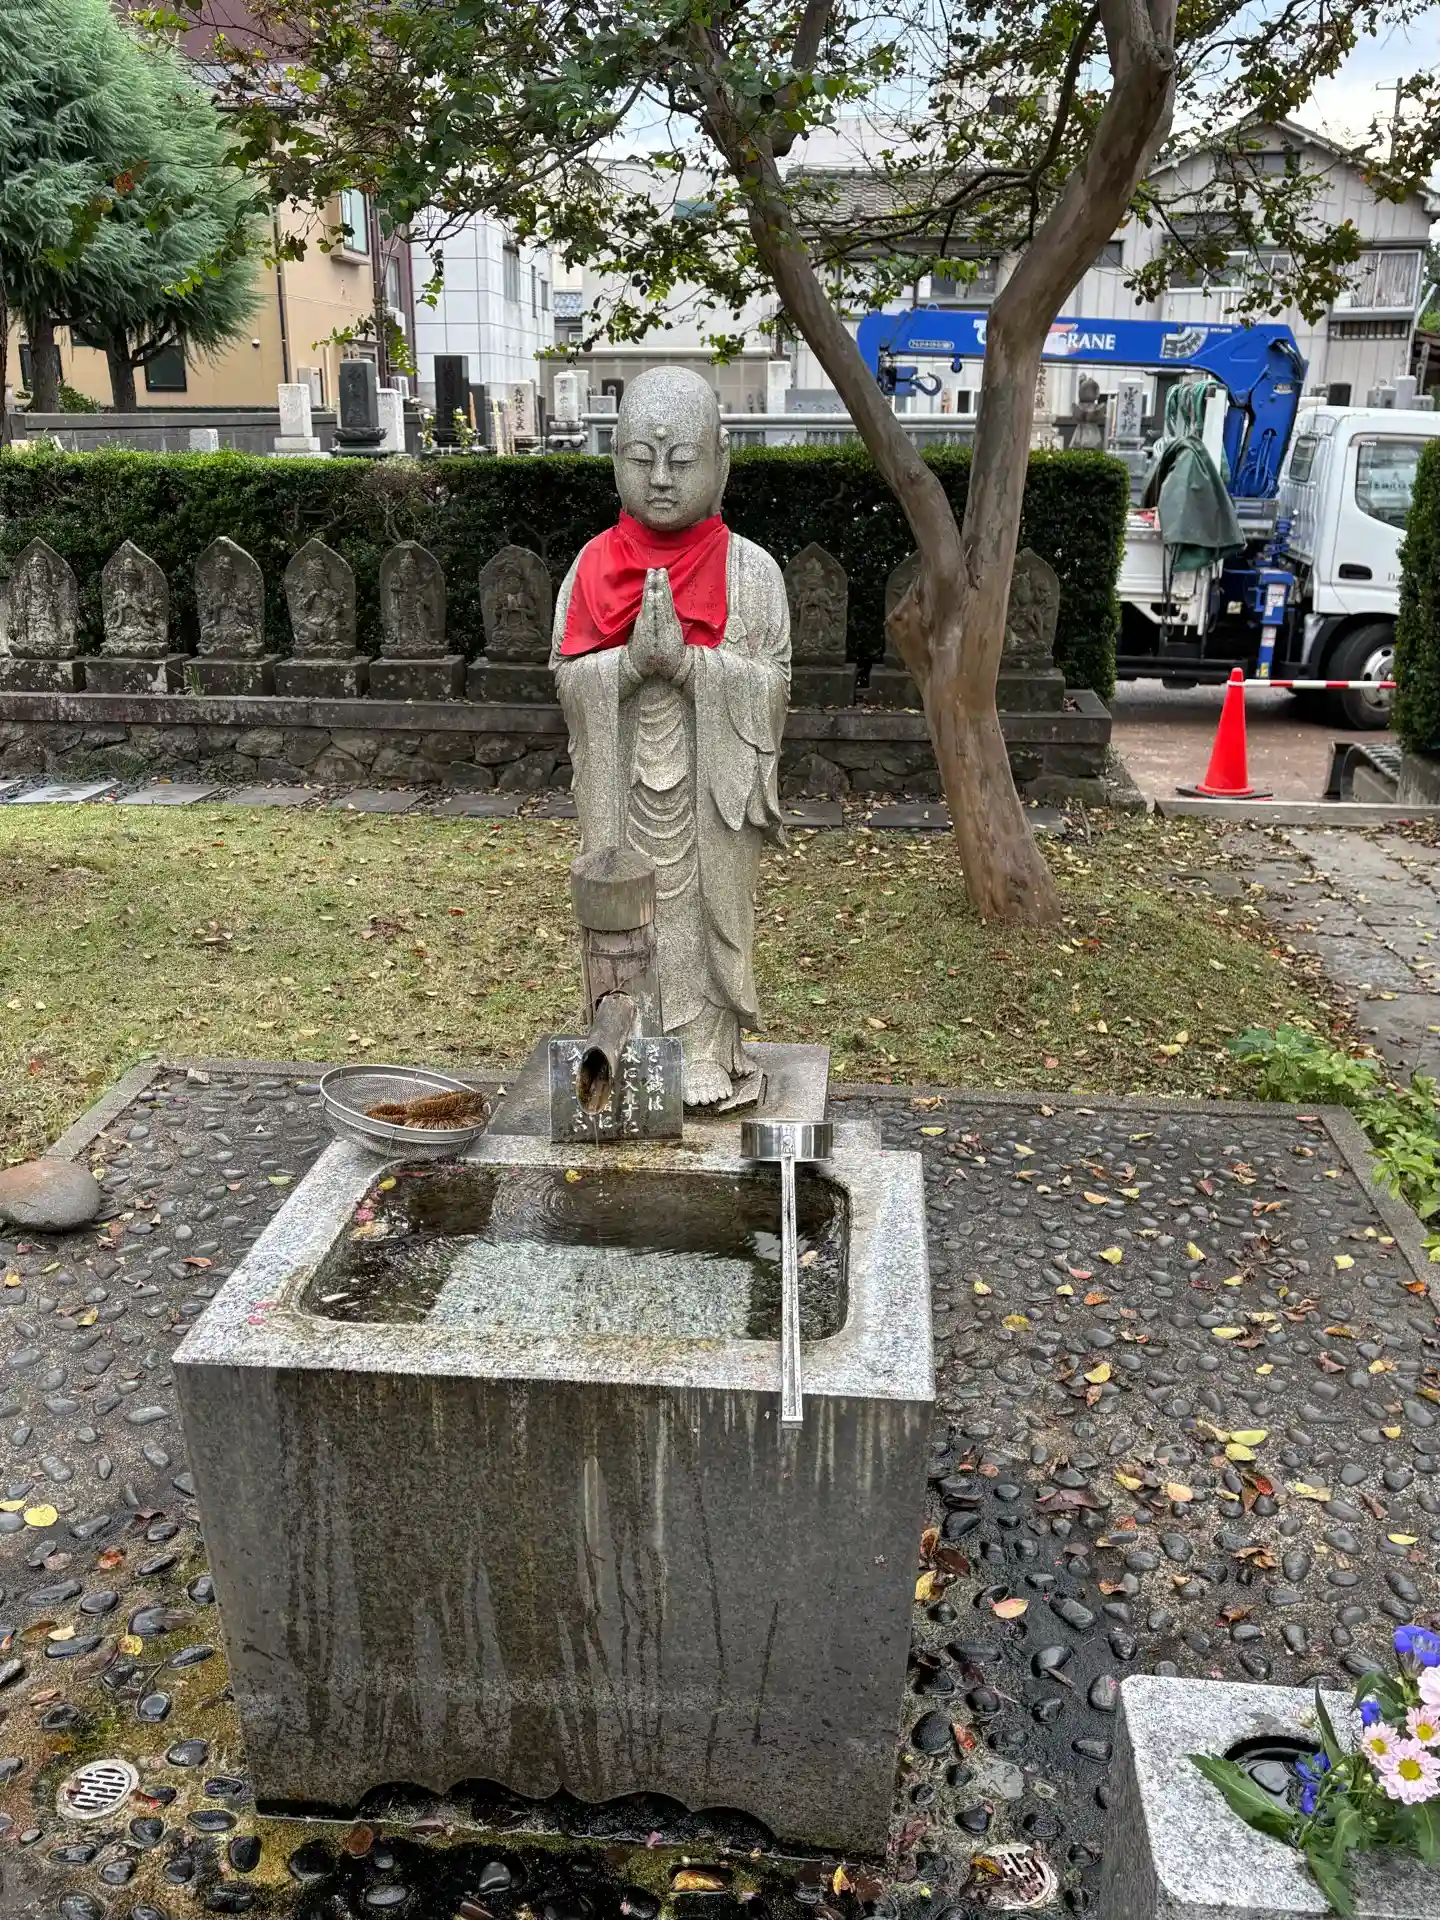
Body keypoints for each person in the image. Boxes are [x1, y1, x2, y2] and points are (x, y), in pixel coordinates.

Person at [550, 368, 790, 1108]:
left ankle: (709, 1049)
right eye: (639, 458)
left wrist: (689, 667)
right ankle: (624, 1041)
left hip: (712, 795)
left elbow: (775, 682)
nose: (659, 478)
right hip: (622, 788)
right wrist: (626, 667)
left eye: (682, 460)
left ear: (722, 462)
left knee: (705, 914)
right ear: (613, 459)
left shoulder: (752, 573)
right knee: (624, 915)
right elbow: (566, 677)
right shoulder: (591, 567)